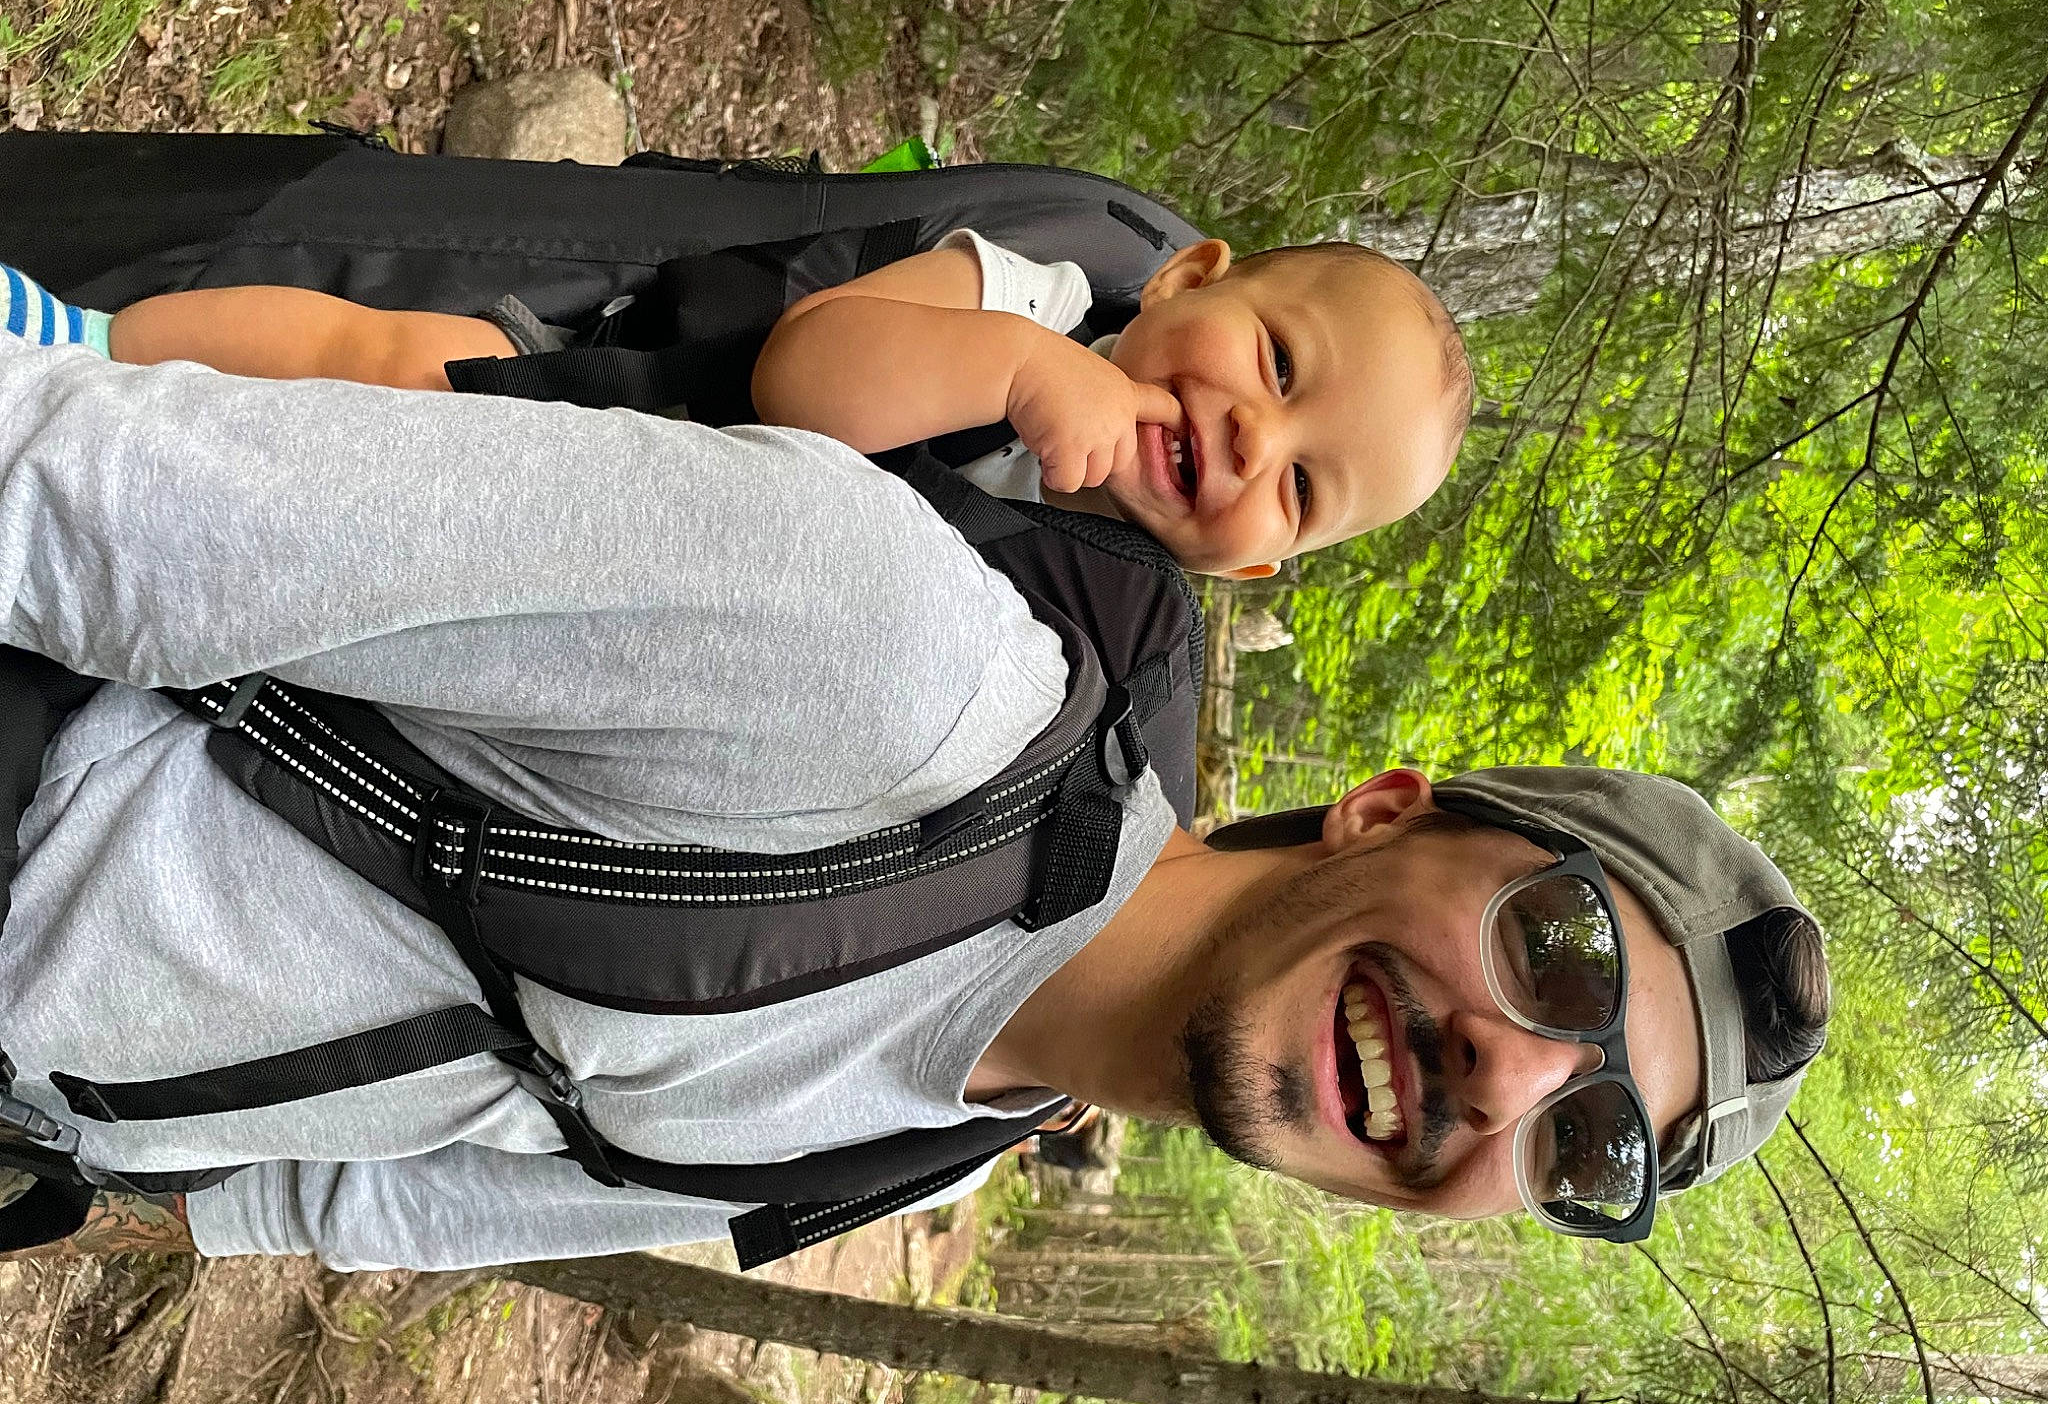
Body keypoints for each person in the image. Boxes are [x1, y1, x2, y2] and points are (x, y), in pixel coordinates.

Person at [0, 315, 1823, 1270]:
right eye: (1560, 955)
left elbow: (381, 1201)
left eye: (1588, 1144)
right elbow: (78, 496)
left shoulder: (951, 1141)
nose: (1506, 1071)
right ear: (1385, 809)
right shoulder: (881, 661)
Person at [0, 223, 1472, 580]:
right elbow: (807, 375)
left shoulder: (1100, 610)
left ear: (1261, 563)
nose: (1248, 438)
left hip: (609, 570)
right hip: (616, 409)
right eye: (1276, 369)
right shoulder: (1030, 304)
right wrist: (1027, 376)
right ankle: (77, 342)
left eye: (1298, 486)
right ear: (1188, 279)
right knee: (377, 363)